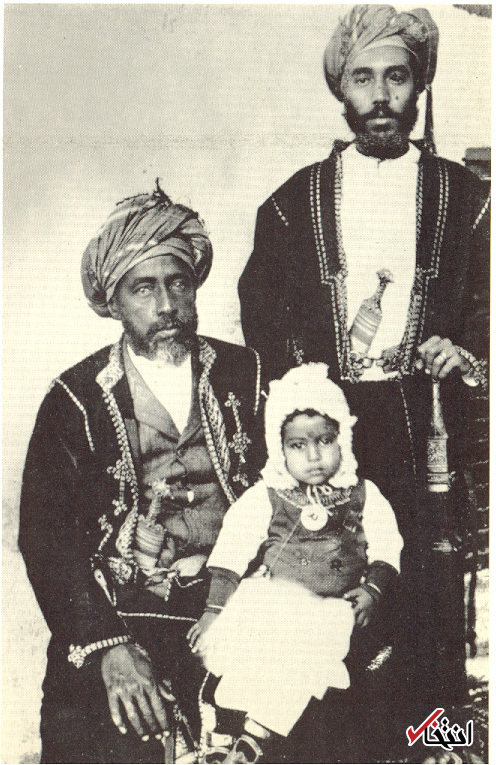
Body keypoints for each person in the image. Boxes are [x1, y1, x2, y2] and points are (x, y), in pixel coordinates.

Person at [238, 5, 489, 762]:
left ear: (419, 85)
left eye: (397, 77)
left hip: (427, 426)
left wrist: (465, 350)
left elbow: (489, 306)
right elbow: (262, 314)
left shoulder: (469, 200)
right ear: (340, 91)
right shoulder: (292, 204)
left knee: (428, 590)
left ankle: (435, 742)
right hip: (330, 431)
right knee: (328, 589)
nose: (381, 96)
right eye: (363, 79)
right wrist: (310, 382)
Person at [19, 183, 264, 764]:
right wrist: (109, 647)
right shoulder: (74, 398)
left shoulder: (247, 372)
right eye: (144, 288)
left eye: (178, 283)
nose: (166, 305)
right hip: (126, 608)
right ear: (114, 301)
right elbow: (46, 538)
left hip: (243, 600)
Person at [188, 364, 403, 764]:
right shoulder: (268, 495)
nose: (314, 456)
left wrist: (373, 589)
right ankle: (222, 729)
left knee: (309, 657)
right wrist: (214, 609)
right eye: (298, 445)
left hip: (332, 604)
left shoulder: (362, 493)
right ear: (279, 448)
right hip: (276, 597)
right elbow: (232, 550)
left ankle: (255, 736)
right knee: (254, 650)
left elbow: (388, 546)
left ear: (344, 438)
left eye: (325, 440)